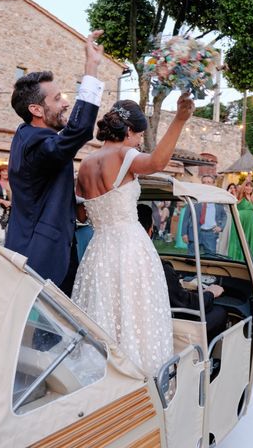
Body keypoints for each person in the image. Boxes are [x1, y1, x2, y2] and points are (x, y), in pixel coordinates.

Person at [72, 94, 195, 376]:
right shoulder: (124, 154)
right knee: (136, 316)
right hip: (130, 249)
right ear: (128, 131)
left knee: (103, 316)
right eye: (139, 135)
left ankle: (102, 380)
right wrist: (179, 119)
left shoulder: (87, 164)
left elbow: (81, 215)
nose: (139, 141)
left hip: (98, 250)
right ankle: (137, 380)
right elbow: (156, 162)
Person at [4, 30, 104, 296]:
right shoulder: (39, 145)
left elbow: (44, 190)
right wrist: (91, 68)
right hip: (41, 257)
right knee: (41, 333)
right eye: (57, 98)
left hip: (42, 249)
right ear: (36, 110)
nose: (65, 102)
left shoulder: (26, 136)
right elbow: (79, 131)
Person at [137, 204, 227, 340]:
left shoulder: (118, 262)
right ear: (149, 231)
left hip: (141, 323)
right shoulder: (158, 267)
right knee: (220, 312)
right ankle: (206, 359)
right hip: (164, 327)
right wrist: (210, 293)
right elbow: (187, 303)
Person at [182, 174, 227, 256]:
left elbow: (224, 215)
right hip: (194, 233)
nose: (206, 184)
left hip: (210, 234)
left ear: (213, 184)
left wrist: (221, 227)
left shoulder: (218, 199)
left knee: (210, 259)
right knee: (192, 258)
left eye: (209, 182)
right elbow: (186, 217)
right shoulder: (193, 197)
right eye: (204, 182)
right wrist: (184, 233)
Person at [227, 177, 253, 262]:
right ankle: (236, 259)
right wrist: (246, 180)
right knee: (238, 239)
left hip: (250, 222)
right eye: (247, 186)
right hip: (240, 220)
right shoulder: (240, 195)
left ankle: (247, 260)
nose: (249, 188)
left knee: (249, 239)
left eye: (251, 186)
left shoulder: (252, 198)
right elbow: (240, 190)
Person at [217, 183, 236, 256]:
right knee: (224, 236)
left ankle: (229, 253)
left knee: (231, 237)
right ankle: (221, 253)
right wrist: (228, 193)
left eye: (234, 188)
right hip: (227, 217)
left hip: (234, 218)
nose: (232, 189)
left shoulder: (236, 197)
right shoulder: (225, 196)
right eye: (231, 188)